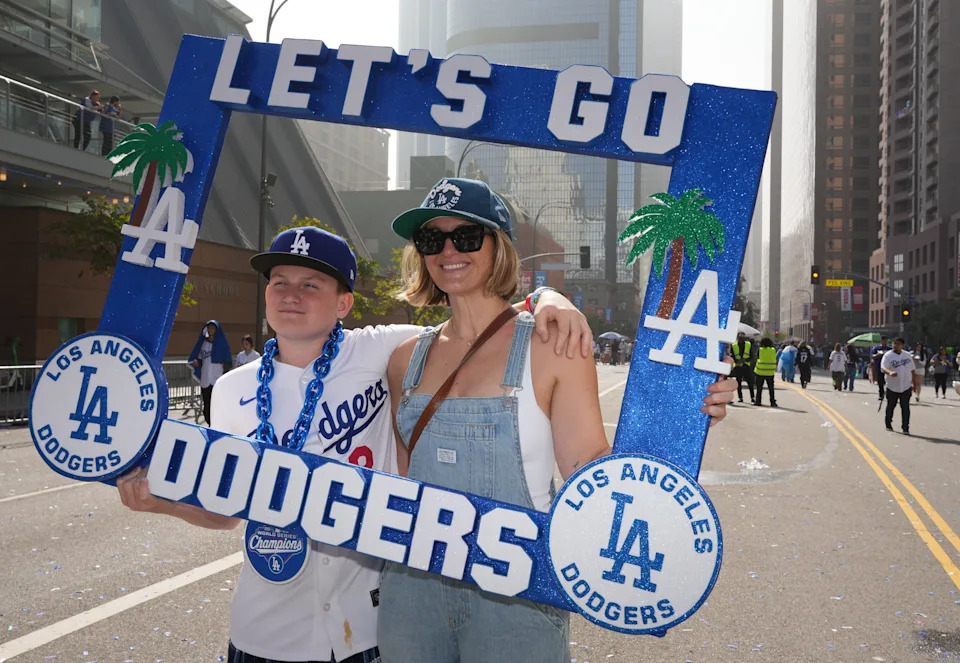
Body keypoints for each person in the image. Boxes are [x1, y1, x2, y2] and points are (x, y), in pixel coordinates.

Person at [118, 224, 601, 663]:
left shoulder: (381, 350)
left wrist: (548, 298)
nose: (291, 295)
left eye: (311, 285)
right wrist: (162, 503)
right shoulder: (229, 390)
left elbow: (478, 323)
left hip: (365, 630)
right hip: (266, 631)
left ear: (343, 304)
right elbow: (227, 511)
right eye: (279, 282)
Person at [376, 177, 736, 662]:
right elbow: (405, 477)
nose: (448, 251)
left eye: (466, 236)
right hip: (412, 592)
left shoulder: (552, 345)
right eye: (430, 239)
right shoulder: (404, 359)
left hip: (516, 594)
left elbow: (590, 468)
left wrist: (683, 420)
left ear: (499, 247)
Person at [187, 320, 232, 425]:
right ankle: (209, 422)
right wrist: (196, 362)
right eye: (209, 328)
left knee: (216, 403)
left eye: (213, 328)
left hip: (217, 377)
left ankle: (218, 423)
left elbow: (227, 361)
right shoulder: (203, 343)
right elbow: (199, 358)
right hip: (205, 377)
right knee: (206, 403)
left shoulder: (222, 343)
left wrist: (225, 376)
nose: (210, 330)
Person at [882, 337, 918, 434]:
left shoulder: (907, 355)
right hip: (892, 386)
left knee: (905, 408)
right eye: (894, 343)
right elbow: (883, 367)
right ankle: (888, 423)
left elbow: (912, 370)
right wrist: (889, 372)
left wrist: (914, 383)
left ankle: (905, 427)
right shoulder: (888, 355)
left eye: (898, 344)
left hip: (906, 386)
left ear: (902, 345)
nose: (895, 345)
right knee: (891, 406)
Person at [729, 331, 755, 402]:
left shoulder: (748, 344)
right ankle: (740, 397)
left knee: (750, 382)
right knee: (738, 383)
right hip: (738, 366)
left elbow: (751, 355)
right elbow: (732, 355)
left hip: (746, 365)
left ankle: (752, 397)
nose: (741, 338)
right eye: (740, 337)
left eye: (743, 337)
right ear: (737, 337)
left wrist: (745, 360)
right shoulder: (734, 345)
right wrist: (737, 361)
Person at [752, 337, 777, 406]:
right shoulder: (773, 350)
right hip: (770, 372)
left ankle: (758, 401)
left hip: (760, 371)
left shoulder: (760, 350)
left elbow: (757, 357)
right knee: (771, 388)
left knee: (759, 388)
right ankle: (772, 402)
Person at [869, 336, 891, 401]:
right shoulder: (876, 348)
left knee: (888, 382)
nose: (885, 342)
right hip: (879, 367)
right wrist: (877, 355)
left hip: (889, 367)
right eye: (883, 341)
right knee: (880, 382)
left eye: (886, 341)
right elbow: (872, 355)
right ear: (881, 341)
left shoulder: (890, 349)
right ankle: (881, 394)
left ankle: (889, 394)